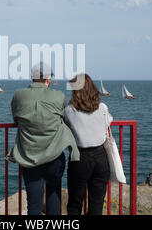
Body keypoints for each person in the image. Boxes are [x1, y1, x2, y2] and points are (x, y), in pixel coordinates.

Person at [7, 62, 80, 215]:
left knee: (34, 205)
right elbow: (62, 117)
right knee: (54, 196)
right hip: (54, 157)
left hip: (29, 157)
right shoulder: (58, 96)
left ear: (32, 78)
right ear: (48, 79)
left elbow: (15, 118)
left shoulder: (19, 95)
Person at [64, 73, 113, 215]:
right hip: (101, 158)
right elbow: (108, 122)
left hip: (80, 158)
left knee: (75, 203)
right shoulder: (102, 107)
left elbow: (66, 125)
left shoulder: (69, 110)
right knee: (96, 204)